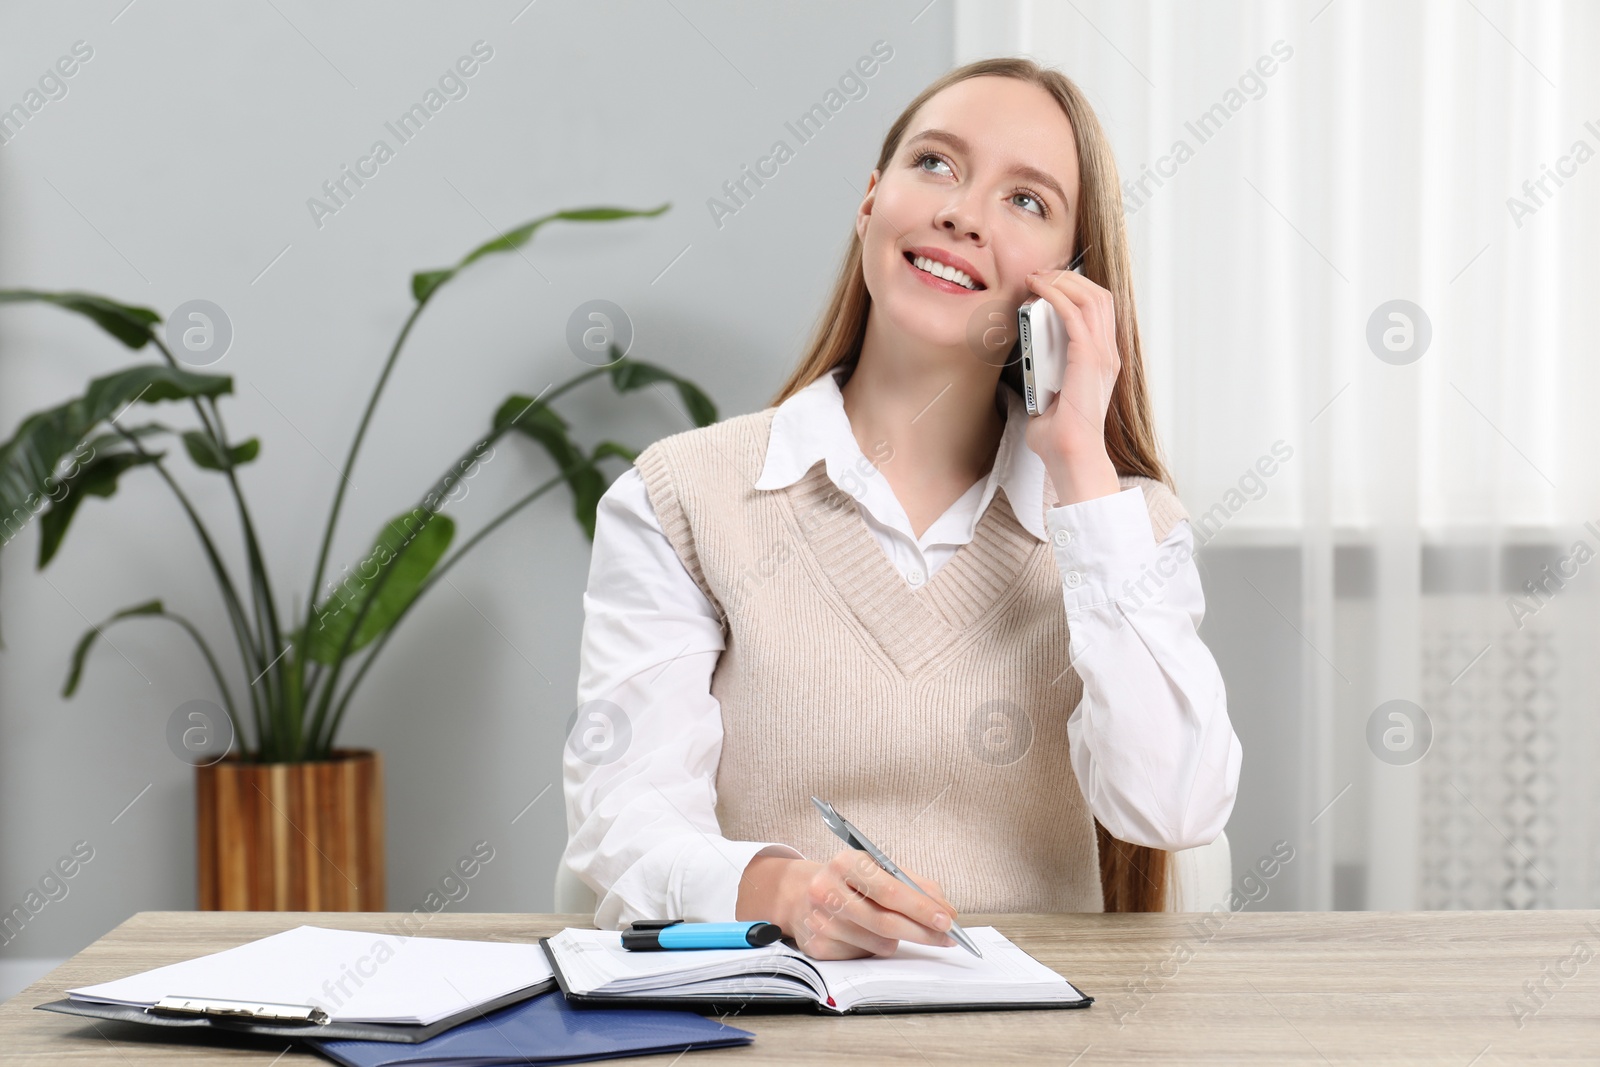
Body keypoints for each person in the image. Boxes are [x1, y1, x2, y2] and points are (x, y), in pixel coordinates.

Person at [562, 56, 1242, 961]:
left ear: (1067, 286)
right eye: (936, 165)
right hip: (773, 1013)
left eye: (1027, 201)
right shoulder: (682, 497)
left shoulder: (1125, 523)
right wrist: (786, 894)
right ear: (871, 201)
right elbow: (624, 815)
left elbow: (1175, 806)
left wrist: (1081, 465)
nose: (962, 212)